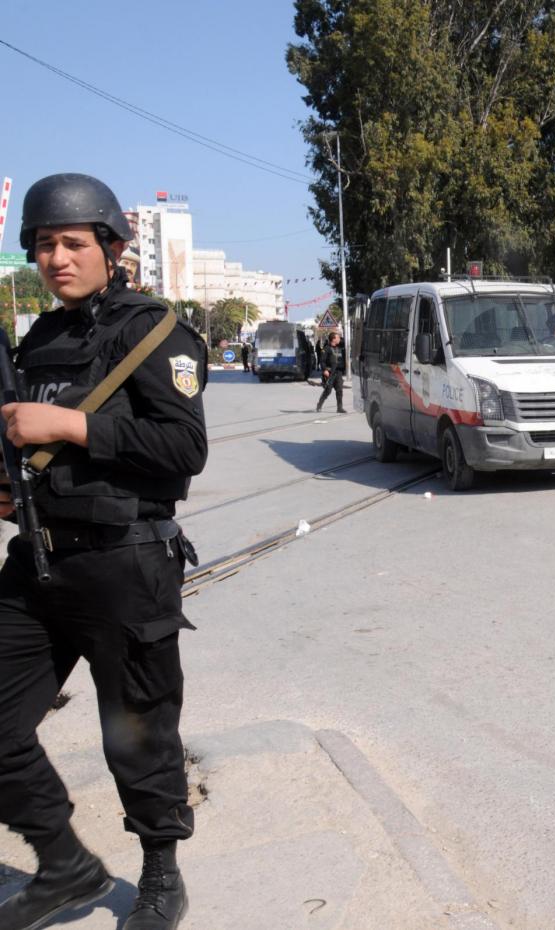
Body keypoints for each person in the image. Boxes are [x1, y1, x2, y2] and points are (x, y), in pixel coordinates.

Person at [0, 174, 207, 930]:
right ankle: (64, 864)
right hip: (38, 562)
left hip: (126, 564)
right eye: (43, 245)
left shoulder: (151, 331)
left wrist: (70, 427)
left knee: (139, 734)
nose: (56, 258)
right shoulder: (38, 339)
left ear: (111, 247)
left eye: (72, 243)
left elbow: (184, 447)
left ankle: (160, 876)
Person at [316, 331, 347, 413]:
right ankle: (319, 404)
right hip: (330, 373)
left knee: (339, 390)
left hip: (339, 372)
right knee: (328, 390)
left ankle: (339, 408)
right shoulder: (326, 349)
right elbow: (322, 361)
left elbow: (345, 342)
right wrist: (324, 370)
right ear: (333, 339)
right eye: (338, 338)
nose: (339, 339)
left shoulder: (340, 347)